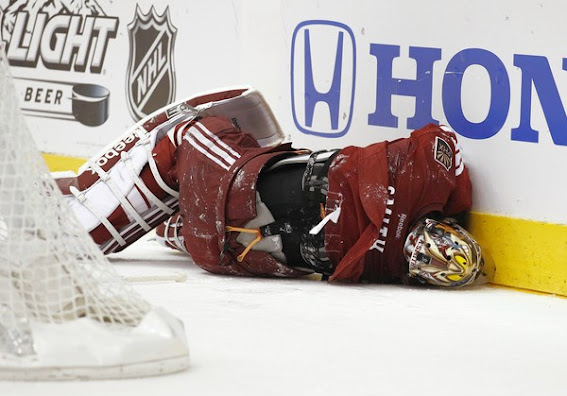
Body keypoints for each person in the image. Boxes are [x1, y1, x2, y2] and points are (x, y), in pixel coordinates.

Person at [55, 87, 485, 288]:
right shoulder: (384, 268)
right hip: (227, 257)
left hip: (236, 185)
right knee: (195, 223)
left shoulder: (420, 182)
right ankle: (172, 225)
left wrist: (445, 195)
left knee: (186, 134)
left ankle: (89, 217)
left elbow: (440, 139)